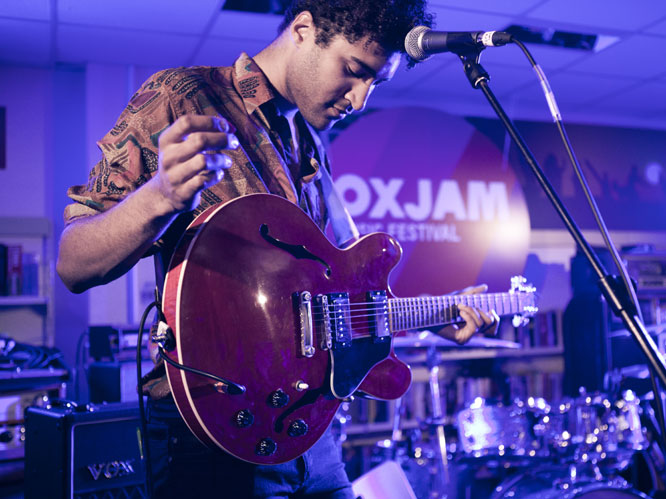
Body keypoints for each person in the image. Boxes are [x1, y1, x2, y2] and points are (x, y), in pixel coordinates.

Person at [57, 1, 498, 497]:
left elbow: (320, 306)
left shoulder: (310, 144)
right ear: (304, 29)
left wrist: (433, 314)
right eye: (354, 72)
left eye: (376, 83)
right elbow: (73, 264)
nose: (360, 100)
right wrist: (158, 196)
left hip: (309, 429)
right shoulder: (183, 96)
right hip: (216, 430)